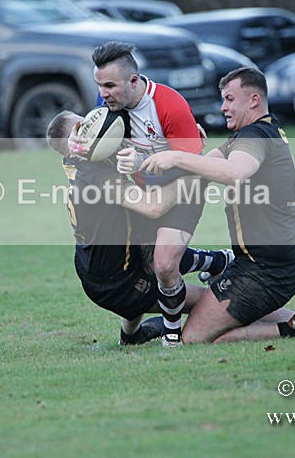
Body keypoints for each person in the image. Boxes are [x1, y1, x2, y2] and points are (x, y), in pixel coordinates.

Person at [140, 66, 295, 343]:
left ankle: (293, 329)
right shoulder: (251, 135)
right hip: (263, 264)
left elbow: (234, 173)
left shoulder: (256, 136)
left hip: (265, 269)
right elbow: (203, 169)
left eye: (230, 99)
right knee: (220, 315)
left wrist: (179, 159)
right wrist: (185, 149)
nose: (223, 107)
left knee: (195, 337)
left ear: (254, 99)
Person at [47, 109, 234, 345]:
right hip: (116, 285)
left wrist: (180, 142)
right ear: (74, 139)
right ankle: (221, 265)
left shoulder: (83, 160)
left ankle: (130, 336)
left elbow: (144, 148)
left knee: (143, 243)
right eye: (83, 125)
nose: (93, 125)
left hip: (98, 266)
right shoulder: (94, 175)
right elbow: (154, 206)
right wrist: (199, 170)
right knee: (215, 302)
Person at [72, 41, 209, 346]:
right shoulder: (108, 104)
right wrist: (75, 143)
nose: (102, 93)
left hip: (183, 190)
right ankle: (218, 264)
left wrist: (143, 164)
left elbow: (195, 167)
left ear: (134, 81)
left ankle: (172, 336)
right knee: (137, 263)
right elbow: (89, 140)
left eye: (109, 85)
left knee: (162, 263)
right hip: (145, 192)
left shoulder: (170, 106)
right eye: (99, 85)